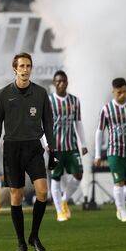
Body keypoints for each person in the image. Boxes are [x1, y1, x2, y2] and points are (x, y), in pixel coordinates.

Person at [0, 53, 54, 251]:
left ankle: (34, 235)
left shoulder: (41, 93)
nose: (25, 69)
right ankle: (21, 242)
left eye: (28, 66)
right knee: (16, 196)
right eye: (22, 66)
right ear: (14, 69)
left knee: (42, 192)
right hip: (12, 148)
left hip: (34, 147)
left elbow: (49, 124)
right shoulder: (3, 94)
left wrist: (53, 150)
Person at [95, 78, 126, 223]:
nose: (123, 95)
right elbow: (99, 132)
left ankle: (119, 203)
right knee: (119, 182)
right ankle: (122, 210)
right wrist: (97, 154)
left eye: (125, 91)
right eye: (119, 92)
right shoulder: (106, 109)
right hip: (114, 151)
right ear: (113, 92)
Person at [48, 71, 87, 222]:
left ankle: (64, 200)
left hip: (71, 147)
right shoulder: (49, 101)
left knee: (79, 174)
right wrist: (46, 143)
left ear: (67, 82)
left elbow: (78, 123)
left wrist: (83, 143)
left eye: (63, 81)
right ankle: (59, 211)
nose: (61, 84)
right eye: (58, 82)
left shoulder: (74, 101)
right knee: (56, 178)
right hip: (55, 148)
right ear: (54, 83)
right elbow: (43, 123)